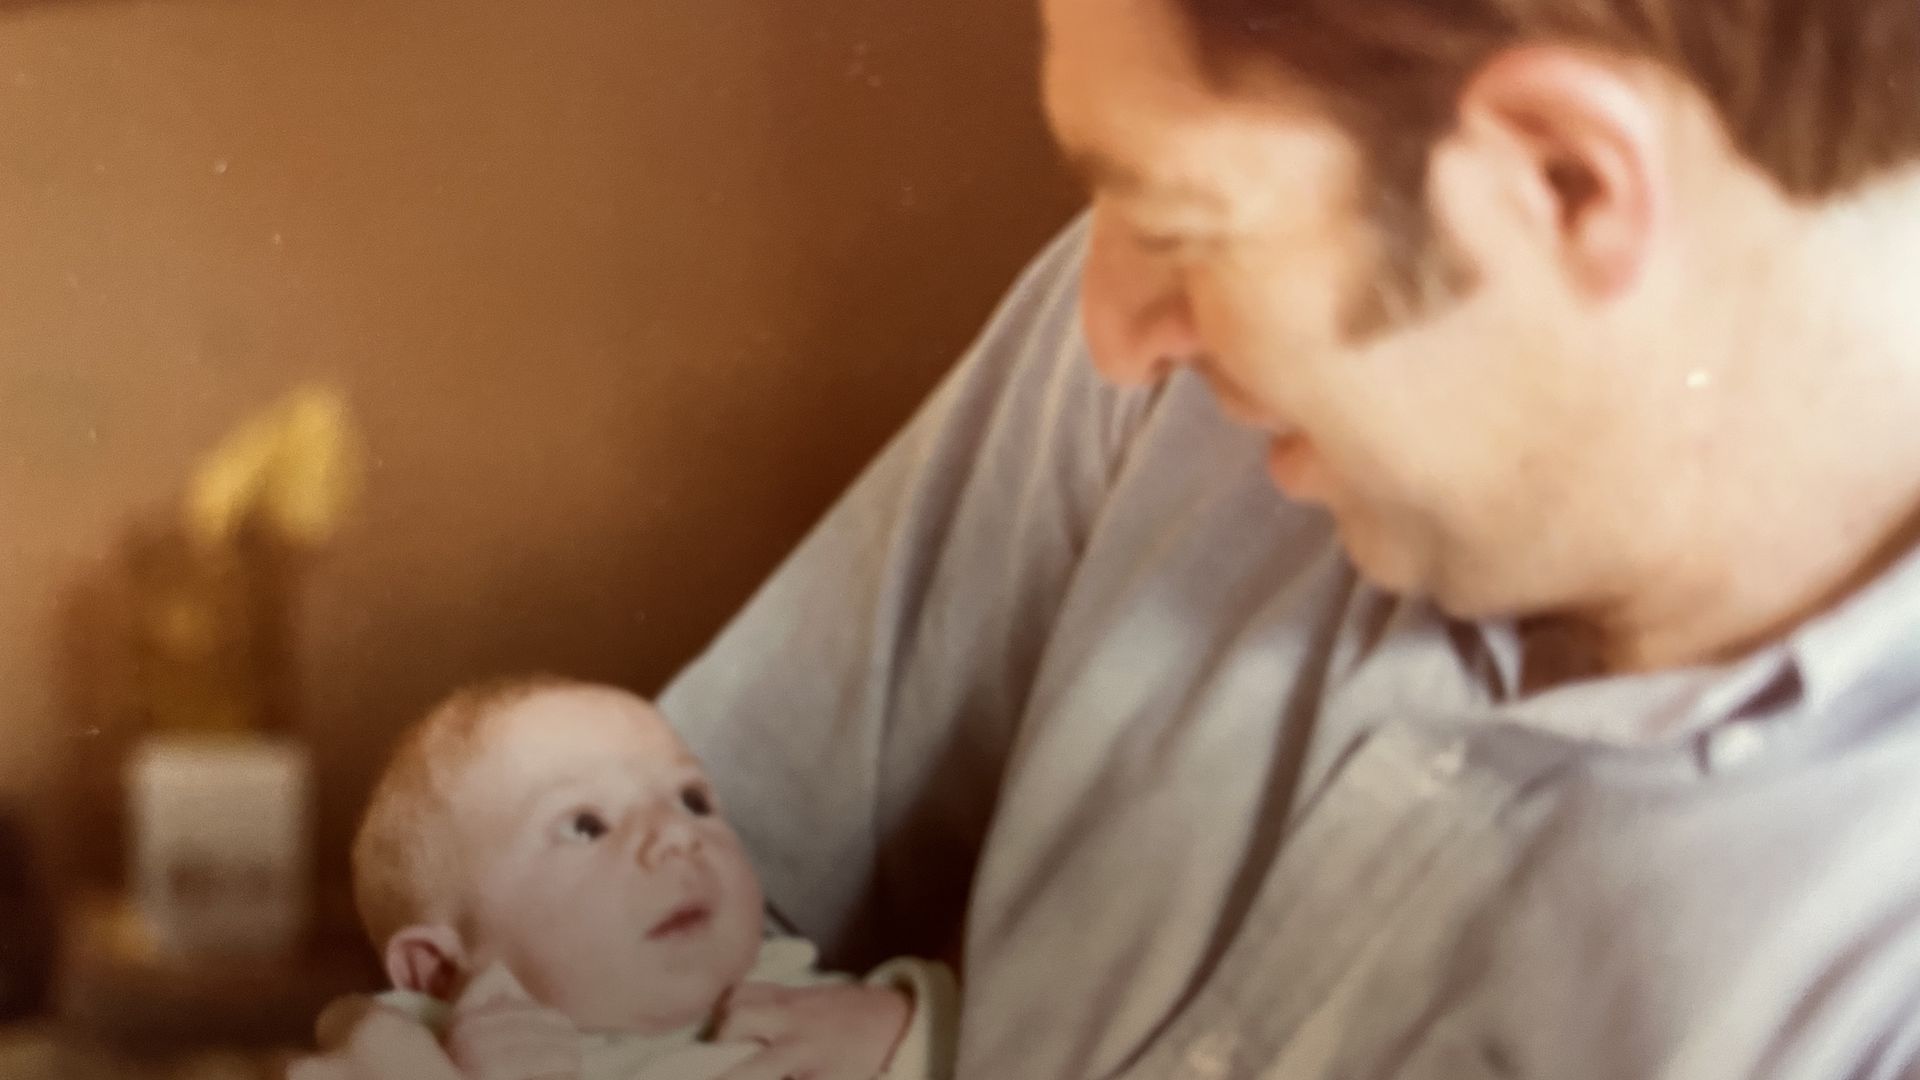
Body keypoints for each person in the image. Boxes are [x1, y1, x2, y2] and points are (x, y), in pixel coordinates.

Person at [292, 0, 1920, 1074]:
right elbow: (597, 897)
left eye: (1185, 223)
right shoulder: (1165, 388)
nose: (1115, 328)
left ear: (1567, 180)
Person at [346, 677, 957, 1080]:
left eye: (692, 799)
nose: (676, 834)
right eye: (586, 825)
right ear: (441, 973)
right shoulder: (433, 1057)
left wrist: (904, 1030)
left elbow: (1020, 1035)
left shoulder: (797, 996)